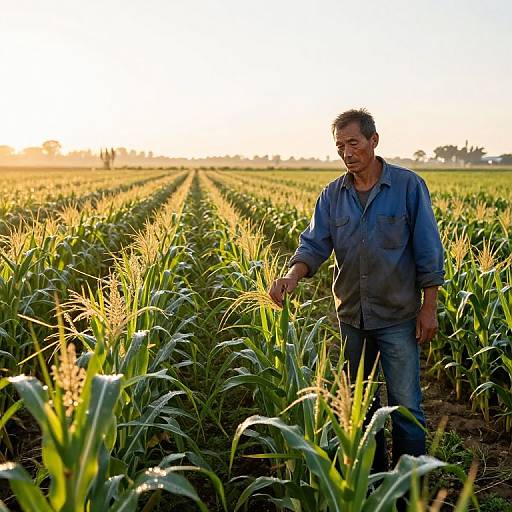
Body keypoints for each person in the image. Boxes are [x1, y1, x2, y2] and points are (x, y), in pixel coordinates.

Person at [268, 108, 444, 472]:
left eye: (353, 143)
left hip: (397, 317)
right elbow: (314, 245)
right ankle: (374, 482)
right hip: (352, 318)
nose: (347, 153)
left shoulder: (408, 187)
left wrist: (429, 308)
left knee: (406, 408)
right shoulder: (332, 195)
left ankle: (410, 490)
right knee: (361, 410)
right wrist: (292, 276)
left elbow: (429, 252)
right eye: (339, 147)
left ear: (373, 141)